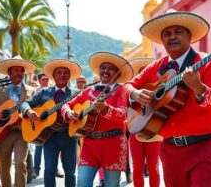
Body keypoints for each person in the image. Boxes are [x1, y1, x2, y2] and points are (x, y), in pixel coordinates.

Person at [126, 9, 211, 187]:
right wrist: (135, 93)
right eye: (167, 33)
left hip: (205, 148)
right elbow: (126, 87)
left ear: (189, 35)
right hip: (170, 151)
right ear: (162, 40)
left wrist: (200, 88)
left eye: (178, 31)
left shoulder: (209, 62)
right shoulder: (156, 66)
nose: (172, 37)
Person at [61, 52, 133, 187]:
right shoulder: (88, 91)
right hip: (89, 145)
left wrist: (106, 109)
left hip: (114, 145)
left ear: (117, 73)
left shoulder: (122, 90)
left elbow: (123, 114)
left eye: (110, 68)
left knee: (111, 185)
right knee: (82, 183)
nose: (105, 71)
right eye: (103, 67)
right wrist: (68, 112)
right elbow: (66, 104)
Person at [21, 59, 82, 187]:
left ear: (70, 76)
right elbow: (25, 103)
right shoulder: (44, 92)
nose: (62, 75)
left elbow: (82, 112)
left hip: (69, 137)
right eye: (59, 72)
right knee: (49, 170)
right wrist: (28, 111)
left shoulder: (76, 94)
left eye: (66, 72)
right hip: (49, 138)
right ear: (53, 76)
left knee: (70, 172)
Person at [0, 55, 37, 187]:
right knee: (4, 166)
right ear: (9, 72)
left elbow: (37, 109)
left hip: (22, 132)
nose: (19, 73)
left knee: (20, 163)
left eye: (21, 70)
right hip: (3, 132)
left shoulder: (33, 91)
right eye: (16, 70)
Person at [128, 58, 161, 187]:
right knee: (137, 167)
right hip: (135, 130)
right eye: (141, 73)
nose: (144, 75)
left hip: (154, 130)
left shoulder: (158, 90)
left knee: (154, 167)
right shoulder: (131, 92)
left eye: (146, 72)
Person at [33, 72, 65, 179]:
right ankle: (36, 170)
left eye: (47, 79)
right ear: (39, 81)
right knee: (38, 147)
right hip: (38, 123)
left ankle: (55, 169)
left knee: (53, 149)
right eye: (43, 80)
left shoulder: (54, 91)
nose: (46, 81)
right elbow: (32, 105)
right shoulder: (36, 92)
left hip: (52, 124)